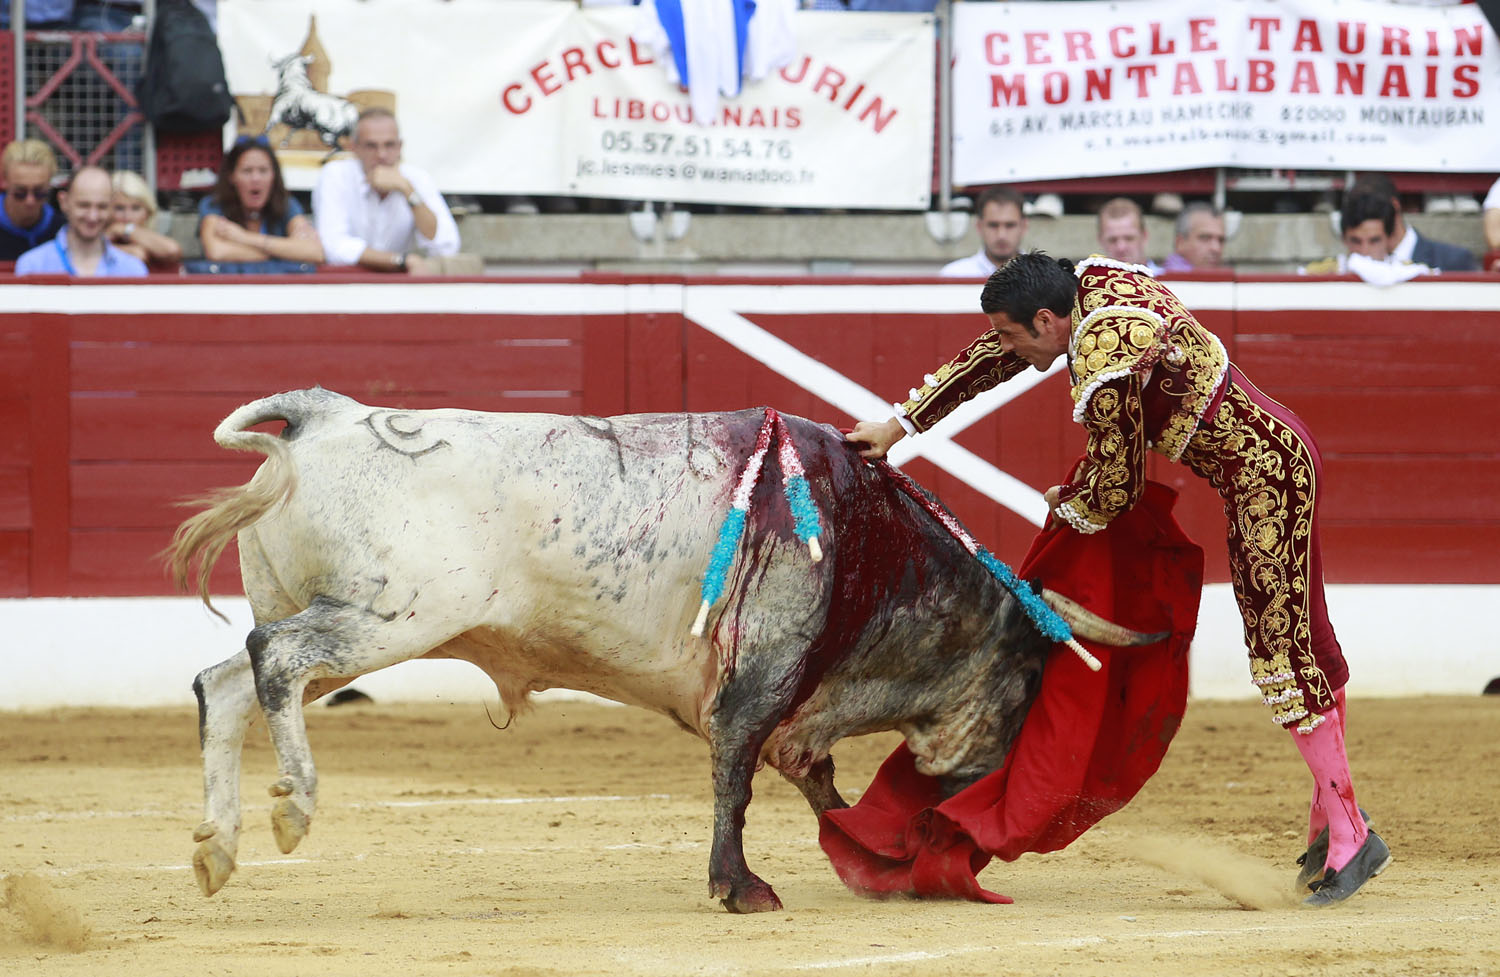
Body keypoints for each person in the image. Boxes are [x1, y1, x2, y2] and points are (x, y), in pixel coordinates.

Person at [846, 251, 1390, 906]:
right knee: (1304, 645)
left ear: (1048, 320)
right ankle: (1331, 825)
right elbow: (996, 355)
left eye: (1016, 333)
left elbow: (1119, 486)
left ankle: (1350, 834)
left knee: (1281, 652)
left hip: (1265, 480)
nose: (1008, 345)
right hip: (1277, 456)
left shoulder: (1107, 355)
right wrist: (899, 425)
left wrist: (1067, 504)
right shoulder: (1085, 284)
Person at [312, 107, 460, 273]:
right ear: (354, 148)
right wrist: (399, 260)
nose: (381, 154)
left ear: (400, 147)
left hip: (396, 287)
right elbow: (333, 246)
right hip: (346, 283)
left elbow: (445, 245)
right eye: (371, 146)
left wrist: (407, 190)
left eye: (389, 145)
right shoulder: (335, 174)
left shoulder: (416, 178)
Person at [197, 135, 323, 267]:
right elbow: (217, 252)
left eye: (263, 171)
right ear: (231, 176)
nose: (256, 178)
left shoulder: (287, 204)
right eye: (247, 171)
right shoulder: (214, 204)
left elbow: (315, 252)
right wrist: (285, 251)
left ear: (274, 175)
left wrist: (244, 237)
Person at [15, 165, 148, 276]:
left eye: (102, 206)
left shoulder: (133, 269)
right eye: (84, 205)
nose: (92, 216)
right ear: (64, 202)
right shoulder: (33, 266)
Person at [1351, 174, 1478, 272]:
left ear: (1394, 208)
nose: (1365, 249)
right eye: (1356, 240)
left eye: (1374, 214)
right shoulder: (1350, 266)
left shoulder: (1454, 261)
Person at [1303, 192, 1432, 284]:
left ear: (1389, 238)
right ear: (1343, 239)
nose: (1365, 251)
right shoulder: (1316, 275)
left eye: (1374, 240)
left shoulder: (1411, 273)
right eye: (1356, 241)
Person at [0, 139, 68, 261]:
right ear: (4, 181)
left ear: (50, 184)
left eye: (39, 192)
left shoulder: (63, 231)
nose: (30, 201)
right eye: (20, 192)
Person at [940, 186, 1026, 278]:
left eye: (1010, 225)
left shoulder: (1042, 276)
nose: (1001, 235)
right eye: (993, 225)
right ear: (979, 226)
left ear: (1024, 226)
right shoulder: (953, 275)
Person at [109, 171, 182, 269]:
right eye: (119, 208)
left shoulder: (156, 243)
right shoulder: (100, 244)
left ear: (148, 212)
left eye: (136, 208)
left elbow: (172, 250)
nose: (128, 216)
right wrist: (123, 251)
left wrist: (124, 229)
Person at [1095, 197, 1162, 275]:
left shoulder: (1169, 282)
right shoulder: (1088, 285)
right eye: (1112, 240)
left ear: (1144, 236)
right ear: (1100, 240)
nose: (1121, 247)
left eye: (1129, 238)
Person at [1162, 202, 1226, 271]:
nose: (1216, 248)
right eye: (1205, 238)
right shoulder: (1164, 280)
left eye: (1221, 240)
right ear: (1180, 243)